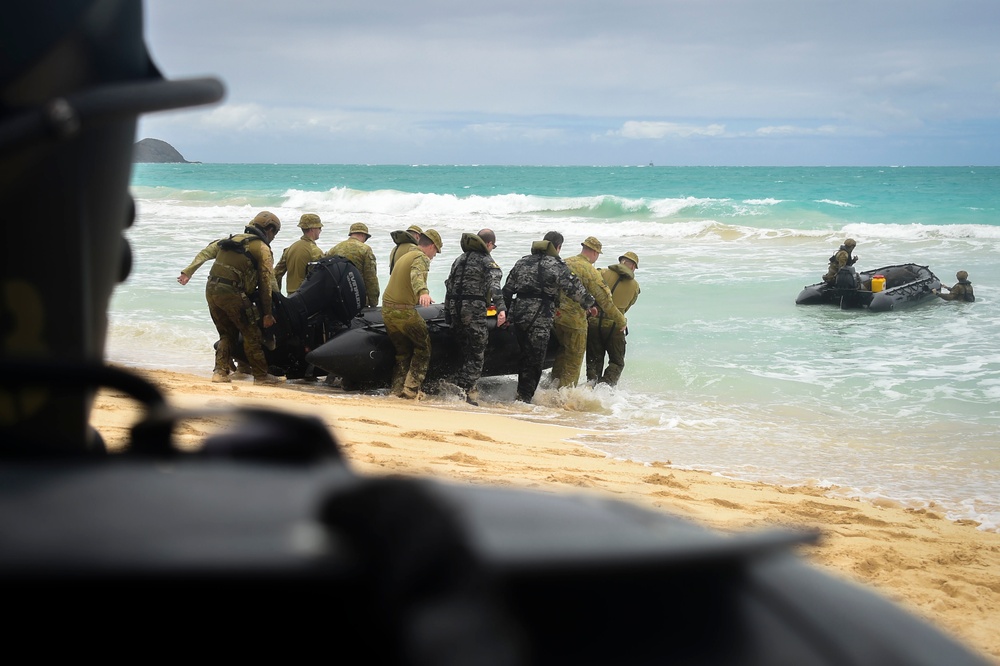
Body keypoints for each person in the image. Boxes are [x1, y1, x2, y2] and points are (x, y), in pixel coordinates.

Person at [181, 211, 284, 385]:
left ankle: (220, 373)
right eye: (275, 233)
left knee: (226, 334)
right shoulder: (262, 249)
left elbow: (205, 252)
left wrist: (188, 271)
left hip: (211, 290)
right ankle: (261, 376)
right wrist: (268, 313)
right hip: (233, 293)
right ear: (269, 229)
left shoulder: (231, 240)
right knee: (251, 333)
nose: (273, 237)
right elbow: (266, 282)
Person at [502, 231, 595, 403]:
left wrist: (505, 314)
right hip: (539, 318)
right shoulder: (556, 265)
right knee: (535, 360)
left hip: (518, 316)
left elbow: (507, 291)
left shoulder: (522, 262)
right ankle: (524, 399)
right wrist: (590, 304)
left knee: (523, 356)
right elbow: (574, 289)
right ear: (558, 247)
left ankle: (521, 395)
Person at [550, 236, 626, 389]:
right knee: (573, 362)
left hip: (555, 319)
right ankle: (564, 399)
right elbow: (604, 300)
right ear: (594, 252)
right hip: (575, 323)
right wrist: (621, 320)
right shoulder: (588, 269)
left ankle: (550, 391)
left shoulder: (564, 262)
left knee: (560, 357)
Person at [443, 229, 507, 405]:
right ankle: (465, 392)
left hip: (456, 312)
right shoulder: (487, 261)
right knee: (477, 353)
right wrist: (501, 309)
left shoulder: (459, 260)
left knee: (464, 350)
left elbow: (449, 286)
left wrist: (448, 314)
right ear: (488, 244)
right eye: (493, 246)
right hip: (473, 313)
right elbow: (495, 286)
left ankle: (458, 386)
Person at [381, 230, 443, 399]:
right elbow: (416, 274)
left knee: (403, 352)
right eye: (435, 251)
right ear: (430, 246)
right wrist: (423, 292)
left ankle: (397, 389)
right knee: (423, 348)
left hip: (387, 310)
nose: (434, 256)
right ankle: (411, 389)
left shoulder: (405, 255)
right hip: (403, 312)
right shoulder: (420, 258)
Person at [586, 251, 641, 386]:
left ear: (621, 261)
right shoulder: (635, 286)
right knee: (617, 361)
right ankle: (605, 388)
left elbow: (590, 290)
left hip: (593, 322)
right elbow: (627, 307)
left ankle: (591, 388)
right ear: (633, 267)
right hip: (615, 326)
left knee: (594, 360)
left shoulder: (602, 273)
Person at [326, 222, 380, 307]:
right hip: (358, 298)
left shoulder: (335, 248)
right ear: (363, 235)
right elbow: (370, 279)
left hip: (338, 298)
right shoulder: (365, 249)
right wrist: (373, 303)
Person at [274, 213, 324, 294]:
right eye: (319, 228)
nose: (320, 230)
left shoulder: (290, 248)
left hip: (290, 297)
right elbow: (320, 279)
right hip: (306, 297)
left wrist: (277, 295)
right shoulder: (315, 251)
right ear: (312, 229)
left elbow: (276, 275)